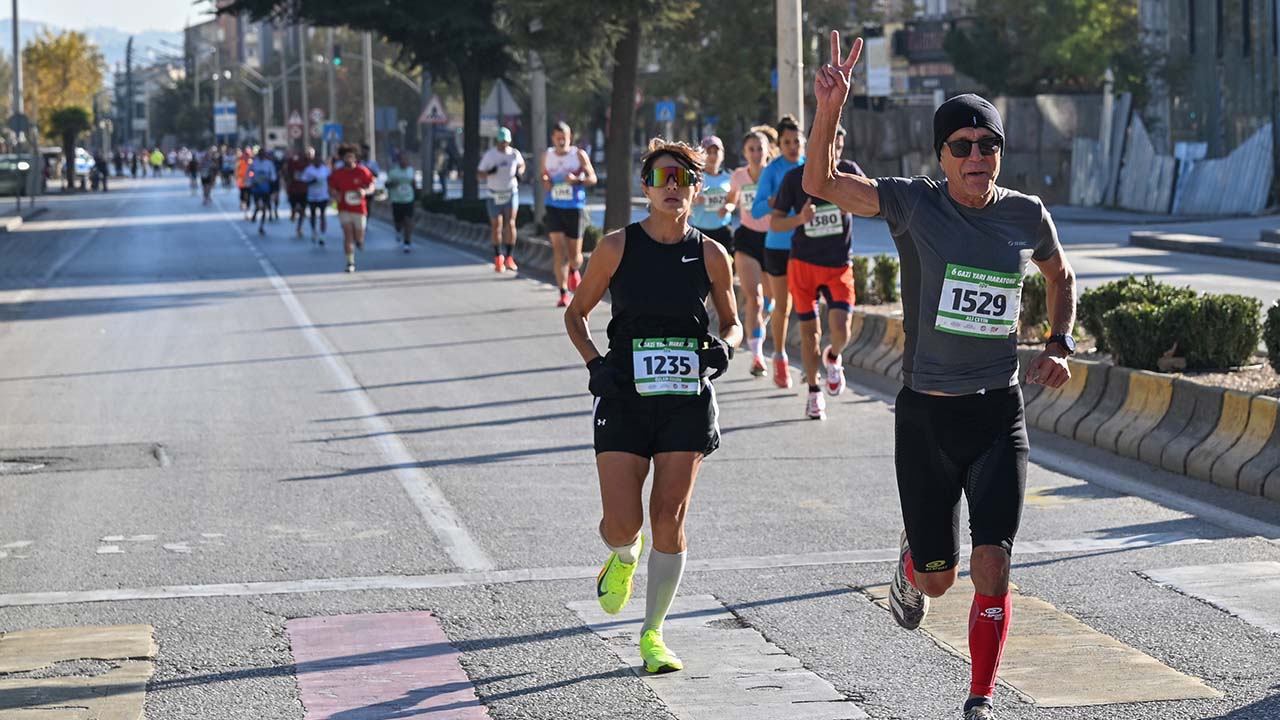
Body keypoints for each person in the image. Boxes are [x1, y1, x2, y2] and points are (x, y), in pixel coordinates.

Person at [805, 33, 1077, 720]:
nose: (977, 158)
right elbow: (820, 184)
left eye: (988, 146)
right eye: (962, 146)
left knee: (994, 562)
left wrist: (1060, 340)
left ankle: (979, 698)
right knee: (939, 578)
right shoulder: (914, 204)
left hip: (996, 415)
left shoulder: (1025, 215)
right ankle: (910, 565)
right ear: (941, 155)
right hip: (926, 417)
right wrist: (830, 109)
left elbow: (1060, 275)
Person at [564, 138, 741, 675]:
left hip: (685, 398)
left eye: (683, 178)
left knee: (669, 517)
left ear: (696, 189)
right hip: (624, 395)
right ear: (645, 187)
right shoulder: (617, 246)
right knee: (623, 523)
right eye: (663, 177)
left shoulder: (712, 253)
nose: (672, 187)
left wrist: (726, 346)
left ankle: (653, 634)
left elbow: (730, 319)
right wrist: (596, 364)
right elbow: (577, 314)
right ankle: (622, 554)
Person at [771, 125, 862, 420]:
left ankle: (833, 356)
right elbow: (776, 223)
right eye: (828, 146)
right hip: (804, 264)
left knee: (842, 329)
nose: (834, 154)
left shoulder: (849, 172)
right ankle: (813, 391)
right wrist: (801, 217)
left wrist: (853, 204)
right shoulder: (795, 178)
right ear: (816, 145)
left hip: (838, 264)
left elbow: (873, 206)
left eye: (838, 147)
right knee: (810, 333)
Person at [751, 115, 805, 389]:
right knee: (783, 307)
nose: (793, 147)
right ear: (780, 145)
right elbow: (757, 209)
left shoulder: (811, 166)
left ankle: (811, 361)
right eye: (787, 142)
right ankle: (780, 356)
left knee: (809, 307)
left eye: (797, 141)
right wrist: (777, 202)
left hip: (809, 248)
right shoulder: (773, 171)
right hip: (778, 246)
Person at [727, 128, 777, 377]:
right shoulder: (738, 176)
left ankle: (764, 318)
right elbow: (731, 198)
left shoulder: (778, 172)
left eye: (760, 148)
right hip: (747, 239)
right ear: (745, 152)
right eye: (751, 149)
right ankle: (757, 356)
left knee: (771, 301)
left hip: (775, 240)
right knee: (754, 300)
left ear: (769, 150)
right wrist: (725, 206)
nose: (756, 154)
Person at [543, 121, 598, 307]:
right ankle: (563, 293)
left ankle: (575, 270)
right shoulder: (548, 155)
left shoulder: (579, 155)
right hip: (554, 207)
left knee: (575, 256)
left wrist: (577, 179)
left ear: (569, 138)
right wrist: (546, 181)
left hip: (575, 208)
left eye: (564, 138)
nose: (561, 141)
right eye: (558, 138)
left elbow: (592, 178)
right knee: (559, 251)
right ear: (553, 138)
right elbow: (544, 176)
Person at [478, 127, 525, 272]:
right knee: (496, 226)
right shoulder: (490, 156)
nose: (503, 145)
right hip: (494, 194)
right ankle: (498, 257)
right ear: (497, 142)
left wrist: (519, 172)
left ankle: (510, 257)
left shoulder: (514, 154)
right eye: (501, 142)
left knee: (510, 223)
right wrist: (489, 172)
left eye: (505, 142)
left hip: (511, 192)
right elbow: (479, 174)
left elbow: (522, 164)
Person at [329, 144, 376, 273]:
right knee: (348, 235)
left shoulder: (363, 171)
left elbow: (371, 185)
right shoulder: (338, 173)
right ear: (342, 158)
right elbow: (332, 188)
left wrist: (365, 191)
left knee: (359, 235)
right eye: (346, 157)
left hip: (359, 208)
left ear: (355, 158)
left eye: (351, 157)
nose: (349, 159)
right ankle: (350, 262)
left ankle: (360, 241)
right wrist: (335, 194)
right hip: (344, 207)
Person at [689, 136, 734, 255]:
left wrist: (728, 207)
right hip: (699, 230)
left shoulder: (729, 178)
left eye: (716, 152)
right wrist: (693, 200)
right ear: (701, 155)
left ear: (722, 154)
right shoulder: (695, 178)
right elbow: (684, 201)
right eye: (709, 152)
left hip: (723, 230)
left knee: (726, 268)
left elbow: (733, 201)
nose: (713, 156)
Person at [387, 150, 418, 252]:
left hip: (408, 200)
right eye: (401, 159)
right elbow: (387, 185)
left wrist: (416, 192)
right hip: (397, 200)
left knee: (408, 221)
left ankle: (407, 243)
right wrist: (393, 184)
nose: (403, 161)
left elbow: (414, 184)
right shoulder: (393, 172)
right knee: (398, 223)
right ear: (398, 160)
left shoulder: (411, 171)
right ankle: (398, 230)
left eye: (405, 159)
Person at [299, 150, 332, 245]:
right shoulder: (309, 169)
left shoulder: (325, 169)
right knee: (313, 215)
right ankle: (314, 231)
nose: (318, 161)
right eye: (316, 160)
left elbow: (329, 180)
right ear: (313, 161)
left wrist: (330, 193)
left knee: (322, 215)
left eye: (319, 159)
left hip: (323, 196)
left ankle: (323, 235)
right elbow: (304, 181)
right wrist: (313, 181)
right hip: (312, 196)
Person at [248, 149, 278, 235]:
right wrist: (251, 180)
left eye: (263, 154)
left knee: (264, 208)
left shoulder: (269, 163)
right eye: (260, 154)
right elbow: (250, 173)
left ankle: (261, 226)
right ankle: (255, 212)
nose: (262, 156)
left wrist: (270, 179)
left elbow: (273, 175)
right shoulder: (254, 163)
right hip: (256, 187)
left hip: (265, 188)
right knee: (258, 205)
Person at [285, 150, 310, 236]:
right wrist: (287, 187)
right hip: (293, 190)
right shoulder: (292, 164)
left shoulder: (308, 165)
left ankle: (299, 228)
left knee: (302, 211)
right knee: (294, 207)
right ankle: (293, 212)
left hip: (304, 191)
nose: (301, 159)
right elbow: (287, 174)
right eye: (300, 157)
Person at [235, 149, 253, 219]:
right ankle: (244, 208)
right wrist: (238, 178)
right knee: (243, 196)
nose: (247, 156)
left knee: (248, 197)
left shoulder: (251, 163)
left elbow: (253, 172)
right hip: (241, 182)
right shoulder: (240, 162)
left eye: (248, 155)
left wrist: (250, 177)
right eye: (246, 154)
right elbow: (237, 171)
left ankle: (247, 210)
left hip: (249, 183)